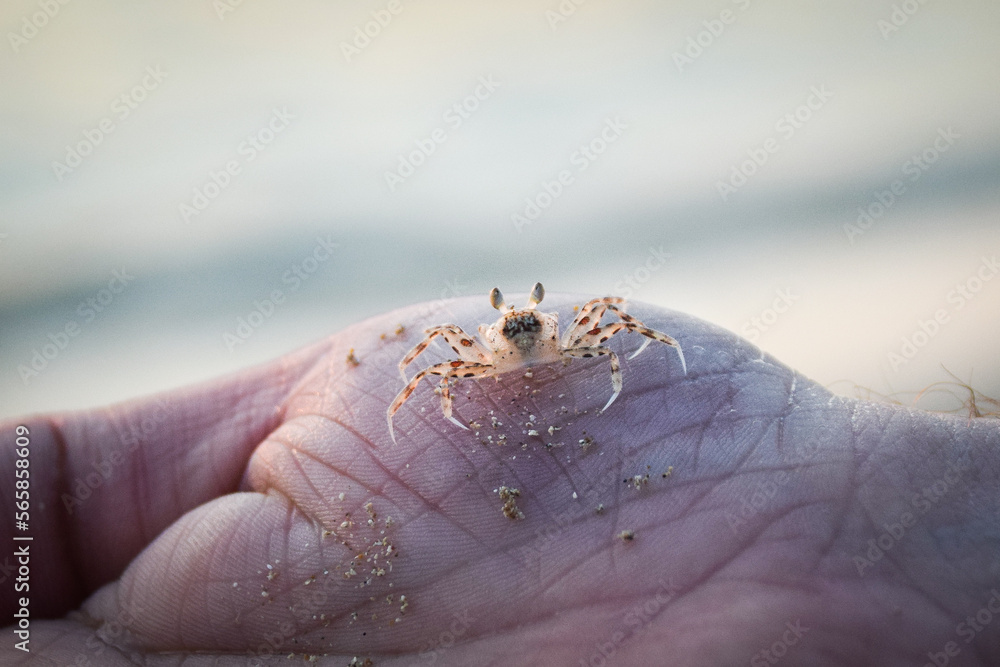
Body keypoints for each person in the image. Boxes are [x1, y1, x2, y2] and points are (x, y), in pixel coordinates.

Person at [2, 294, 998, 666]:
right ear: (499, 324)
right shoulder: (465, 355)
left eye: (530, 323)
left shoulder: (586, 331)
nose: (525, 334)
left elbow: (622, 328)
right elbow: (428, 372)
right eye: (512, 325)